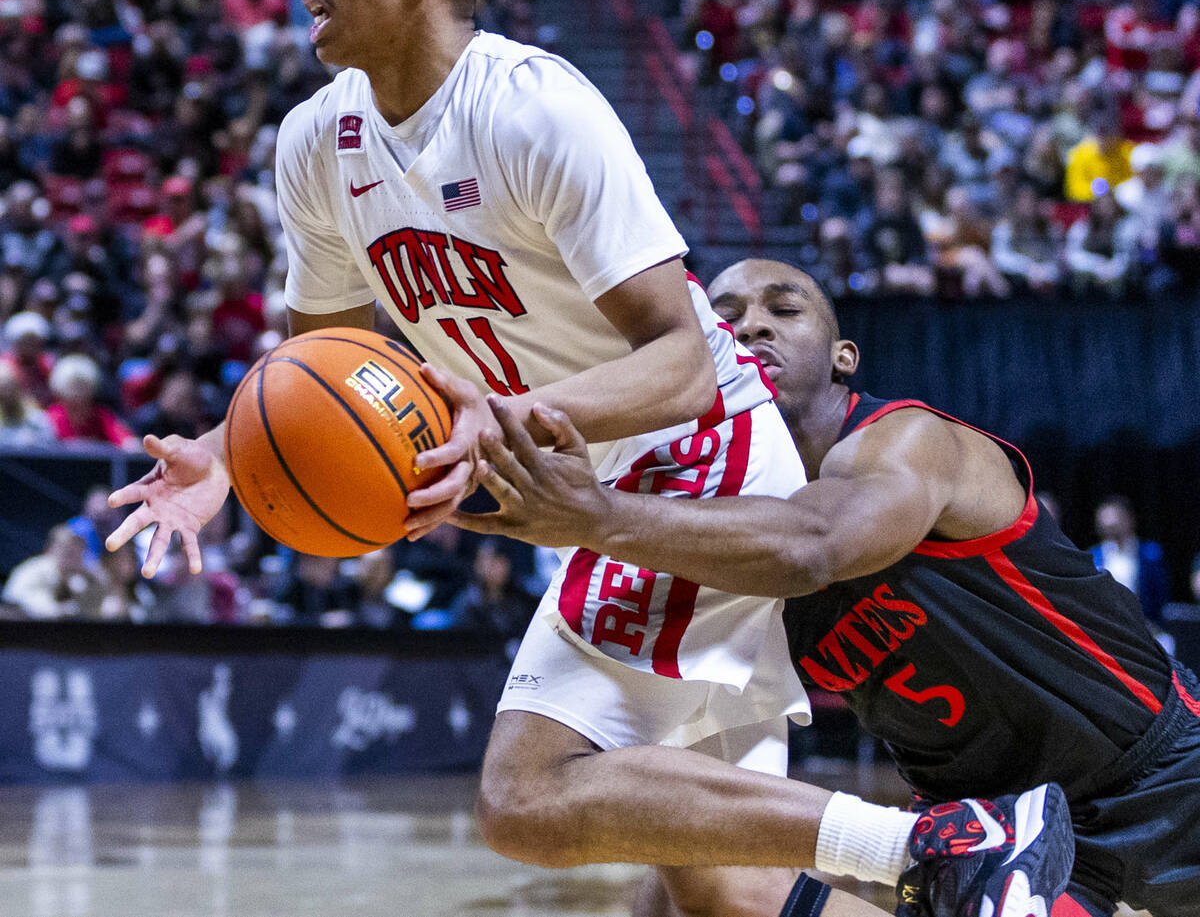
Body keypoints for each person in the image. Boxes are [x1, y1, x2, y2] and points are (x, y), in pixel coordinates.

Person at [104, 0, 1065, 917]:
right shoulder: (316, 144)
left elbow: (685, 362)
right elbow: (323, 363)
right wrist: (230, 454)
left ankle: (949, 839)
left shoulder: (534, 109)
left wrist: (501, 417)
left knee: (525, 795)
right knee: (726, 892)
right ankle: (999, 884)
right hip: (577, 477)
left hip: (692, 455)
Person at [458, 258, 1200, 917]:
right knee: (712, 888)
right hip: (994, 836)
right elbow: (708, 864)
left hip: (1160, 770)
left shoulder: (907, 442)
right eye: (724, 318)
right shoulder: (709, 530)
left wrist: (598, 514)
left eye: (784, 309)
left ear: (844, 355)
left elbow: (814, 546)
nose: (750, 327)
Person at [1089, 495, 1171, 626]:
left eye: (1115, 523)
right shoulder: (1093, 556)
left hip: (1145, 627)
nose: (1110, 526)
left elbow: (1161, 596)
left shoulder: (1150, 554)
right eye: (1106, 525)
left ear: (1129, 520)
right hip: (1105, 626)